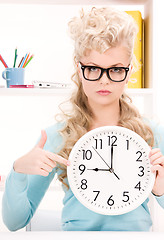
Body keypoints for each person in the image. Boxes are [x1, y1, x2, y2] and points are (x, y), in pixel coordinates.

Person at [2, 7, 164, 231]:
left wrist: (161, 189)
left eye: (116, 70)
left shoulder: (151, 134)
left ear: (129, 70)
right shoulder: (57, 137)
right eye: (94, 69)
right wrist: (18, 170)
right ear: (79, 69)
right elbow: (14, 222)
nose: (104, 81)